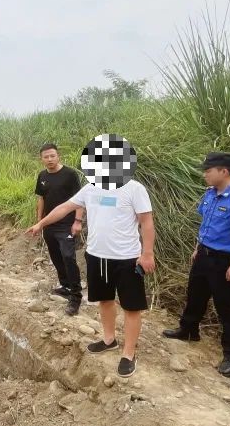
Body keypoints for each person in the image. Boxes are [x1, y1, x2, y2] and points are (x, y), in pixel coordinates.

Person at [28, 170, 155, 378]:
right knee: (105, 300)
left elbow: (146, 221)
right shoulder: (91, 188)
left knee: (132, 307)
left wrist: (147, 253)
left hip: (127, 258)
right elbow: (64, 208)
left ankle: (129, 354)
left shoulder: (134, 189)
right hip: (97, 256)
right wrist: (41, 223)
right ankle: (109, 340)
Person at [163, 152, 230, 377]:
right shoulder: (210, 194)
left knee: (228, 308)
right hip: (204, 254)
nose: (205, 174)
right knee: (195, 295)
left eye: (208, 170)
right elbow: (206, 224)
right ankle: (188, 330)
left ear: (223, 171)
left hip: (224, 260)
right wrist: (197, 248)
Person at [34, 143, 85, 316]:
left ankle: (75, 296)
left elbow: (80, 199)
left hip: (67, 225)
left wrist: (77, 221)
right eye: (46, 157)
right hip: (49, 225)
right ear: (41, 159)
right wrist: (40, 222)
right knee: (56, 256)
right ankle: (65, 285)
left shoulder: (69, 174)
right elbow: (41, 199)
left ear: (58, 156)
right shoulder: (42, 176)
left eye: (52, 156)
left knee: (68, 256)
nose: (49, 159)